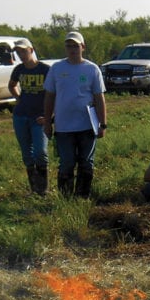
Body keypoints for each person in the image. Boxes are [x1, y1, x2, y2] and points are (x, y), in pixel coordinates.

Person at [44, 30, 107, 198]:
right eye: (69, 46)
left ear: (83, 47)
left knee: (86, 163)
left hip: (87, 125)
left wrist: (103, 123)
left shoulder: (92, 69)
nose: (72, 49)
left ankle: (82, 197)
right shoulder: (57, 69)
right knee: (67, 163)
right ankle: (65, 198)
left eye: (75, 46)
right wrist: (47, 123)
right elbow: (49, 96)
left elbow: (99, 98)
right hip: (64, 127)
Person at [7, 37, 53, 195]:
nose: (21, 54)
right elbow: (11, 85)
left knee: (40, 151)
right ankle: (35, 190)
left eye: (23, 51)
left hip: (39, 116)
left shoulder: (45, 69)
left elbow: (53, 94)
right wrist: (18, 98)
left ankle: (44, 189)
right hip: (21, 116)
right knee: (27, 153)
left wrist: (49, 116)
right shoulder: (19, 69)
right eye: (18, 52)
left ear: (31, 50)